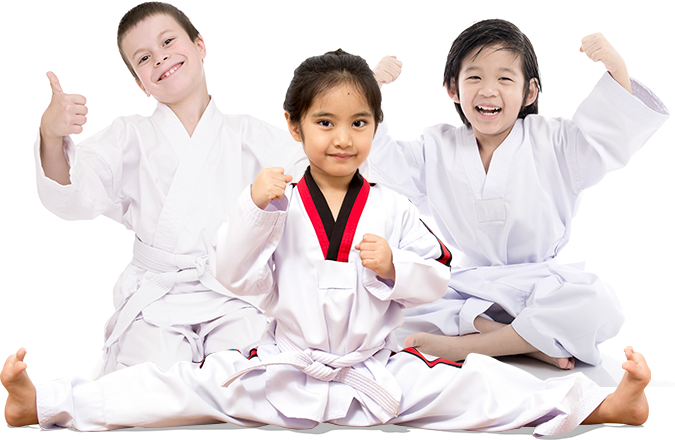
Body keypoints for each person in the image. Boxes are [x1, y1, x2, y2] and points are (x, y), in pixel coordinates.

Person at [5, 49, 651, 435]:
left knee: (479, 391)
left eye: (359, 123)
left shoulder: (391, 206)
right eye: (324, 123)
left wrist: (394, 264)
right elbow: (231, 274)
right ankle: (43, 403)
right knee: (179, 389)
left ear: (374, 129)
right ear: (293, 127)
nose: (342, 139)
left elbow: (431, 277)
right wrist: (256, 210)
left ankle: (602, 409)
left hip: (374, 367)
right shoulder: (274, 197)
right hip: (285, 366)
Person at [368, 19, 670, 369]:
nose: (488, 90)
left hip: (542, 284)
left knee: (599, 301)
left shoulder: (555, 141)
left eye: (504, 79)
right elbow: (379, 160)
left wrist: (616, 68)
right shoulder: (435, 147)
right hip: (470, 284)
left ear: (530, 91)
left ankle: (472, 343)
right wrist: (371, 88)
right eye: (475, 77)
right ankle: (523, 342)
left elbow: (605, 138)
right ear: (453, 88)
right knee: (388, 303)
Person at [34, 1, 309, 377]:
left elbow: (316, 177)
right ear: (138, 82)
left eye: (168, 42)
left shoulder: (249, 133)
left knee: (249, 375)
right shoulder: (129, 136)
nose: (161, 59)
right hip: (160, 297)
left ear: (200, 46)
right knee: (147, 382)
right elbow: (73, 195)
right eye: (144, 58)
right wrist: (52, 134)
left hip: (235, 293)